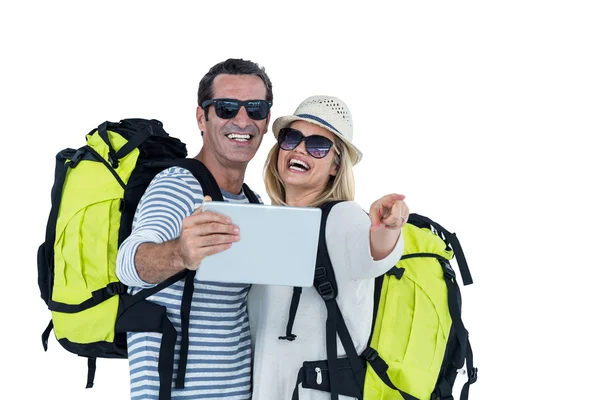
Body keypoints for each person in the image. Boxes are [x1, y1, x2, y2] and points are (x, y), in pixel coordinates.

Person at [116, 58, 272, 399]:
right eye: (227, 108)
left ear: (267, 120)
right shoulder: (177, 185)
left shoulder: (253, 202)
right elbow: (129, 263)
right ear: (202, 118)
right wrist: (180, 253)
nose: (242, 120)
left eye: (255, 109)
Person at [248, 95, 409, 399]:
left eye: (318, 145)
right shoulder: (265, 226)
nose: (299, 149)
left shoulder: (343, 217)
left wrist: (390, 225)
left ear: (336, 166)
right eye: (292, 137)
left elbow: (373, 256)